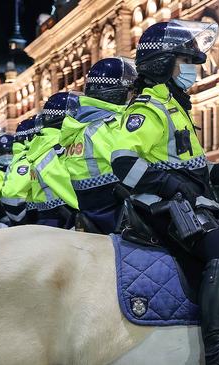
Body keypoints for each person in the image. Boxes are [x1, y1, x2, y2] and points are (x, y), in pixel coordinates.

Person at [111, 20, 219, 365]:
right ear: (164, 64)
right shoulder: (148, 110)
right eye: (186, 62)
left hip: (183, 205)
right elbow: (122, 163)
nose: (193, 71)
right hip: (159, 210)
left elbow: (196, 170)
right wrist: (167, 184)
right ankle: (216, 351)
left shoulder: (176, 110)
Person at [59, 57, 138, 233]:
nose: (133, 97)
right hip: (117, 213)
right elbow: (133, 168)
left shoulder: (76, 129)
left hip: (90, 211)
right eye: (131, 92)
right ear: (116, 92)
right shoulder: (110, 125)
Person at [27, 92, 79, 228]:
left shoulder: (40, 146)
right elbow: (67, 186)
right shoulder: (57, 146)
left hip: (46, 219)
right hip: (64, 221)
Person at [1, 116, 39, 226]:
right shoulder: (25, 160)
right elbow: (12, 194)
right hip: (35, 219)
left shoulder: (24, 158)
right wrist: (21, 221)